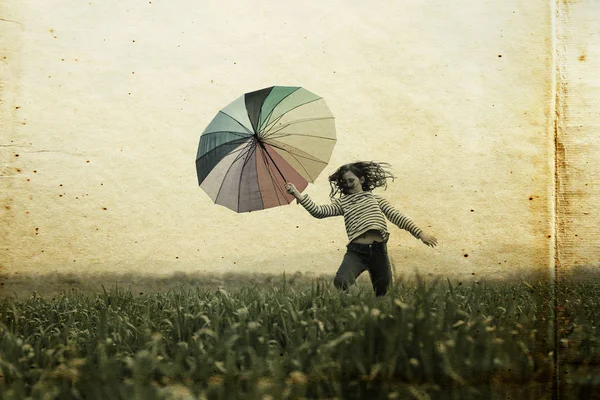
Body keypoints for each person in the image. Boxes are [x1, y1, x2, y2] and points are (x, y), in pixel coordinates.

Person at [285, 161, 437, 297]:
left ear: (361, 180)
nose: (348, 184)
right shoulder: (342, 202)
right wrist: (297, 194)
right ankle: (357, 301)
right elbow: (319, 212)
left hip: (379, 251)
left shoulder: (376, 200)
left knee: (383, 293)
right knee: (341, 282)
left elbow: (398, 217)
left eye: (351, 180)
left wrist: (421, 234)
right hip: (356, 252)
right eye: (344, 182)